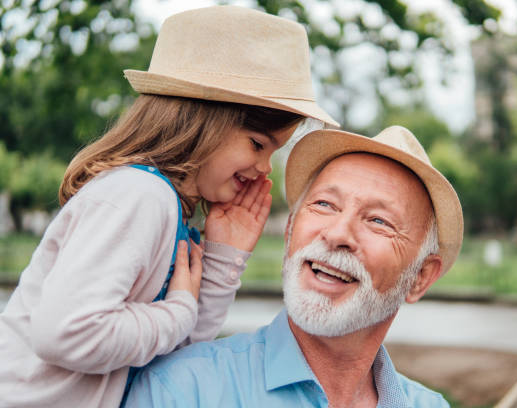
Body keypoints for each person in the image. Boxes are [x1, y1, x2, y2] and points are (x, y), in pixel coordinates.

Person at [0, 6, 338, 408]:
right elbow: (65, 333)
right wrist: (177, 313)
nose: (265, 168)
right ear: (203, 122)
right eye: (257, 144)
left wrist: (223, 258)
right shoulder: (139, 195)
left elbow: (178, 356)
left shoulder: (169, 210)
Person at [125, 125, 464, 407]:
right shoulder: (183, 392)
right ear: (289, 233)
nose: (336, 234)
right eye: (324, 204)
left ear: (420, 278)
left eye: (378, 220)